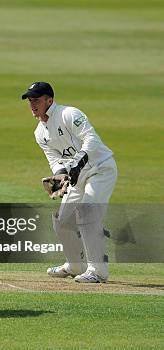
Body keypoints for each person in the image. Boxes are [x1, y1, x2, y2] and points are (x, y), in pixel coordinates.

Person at [23, 81, 117, 283]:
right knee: (62, 220)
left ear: (49, 100)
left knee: (87, 212)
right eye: (30, 101)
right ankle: (75, 264)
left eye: (37, 100)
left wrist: (77, 163)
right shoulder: (40, 133)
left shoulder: (69, 114)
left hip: (100, 169)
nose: (32, 104)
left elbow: (90, 139)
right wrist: (61, 178)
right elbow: (55, 160)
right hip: (78, 177)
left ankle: (98, 271)